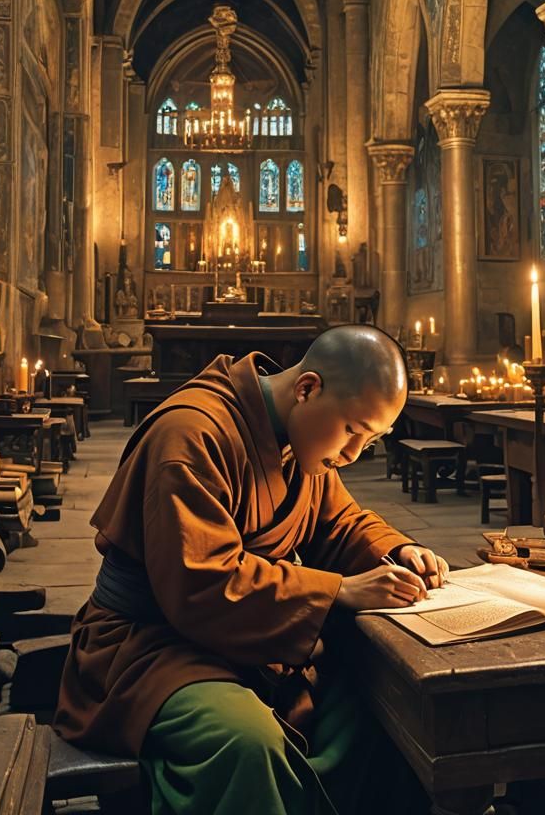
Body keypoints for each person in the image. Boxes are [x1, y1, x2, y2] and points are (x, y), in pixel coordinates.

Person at [56, 325, 449, 815]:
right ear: (307, 389)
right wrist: (338, 592)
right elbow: (203, 583)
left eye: (370, 442)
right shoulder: (192, 433)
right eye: (352, 431)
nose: (352, 456)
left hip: (247, 639)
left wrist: (398, 550)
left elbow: (340, 522)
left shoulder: (295, 439)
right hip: (150, 646)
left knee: (383, 706)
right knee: (247, 743)